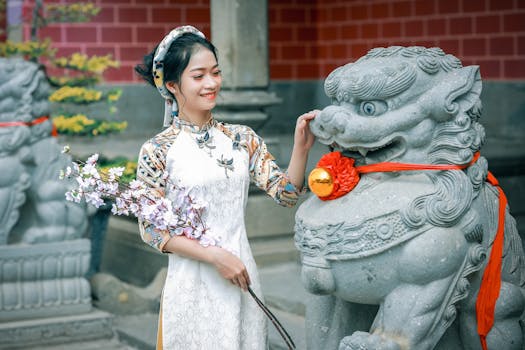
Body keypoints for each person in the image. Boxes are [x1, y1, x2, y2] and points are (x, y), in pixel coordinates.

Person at [134, 25, 317, 350]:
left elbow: (287, 194)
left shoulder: (241, 138)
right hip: (192, 284)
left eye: (215, 73)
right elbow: (152, 231)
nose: (211, 83)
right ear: (173, 85)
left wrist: (300, 147)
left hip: (242, 276)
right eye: (199, 75)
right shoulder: (158, 150)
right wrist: (214, 256)